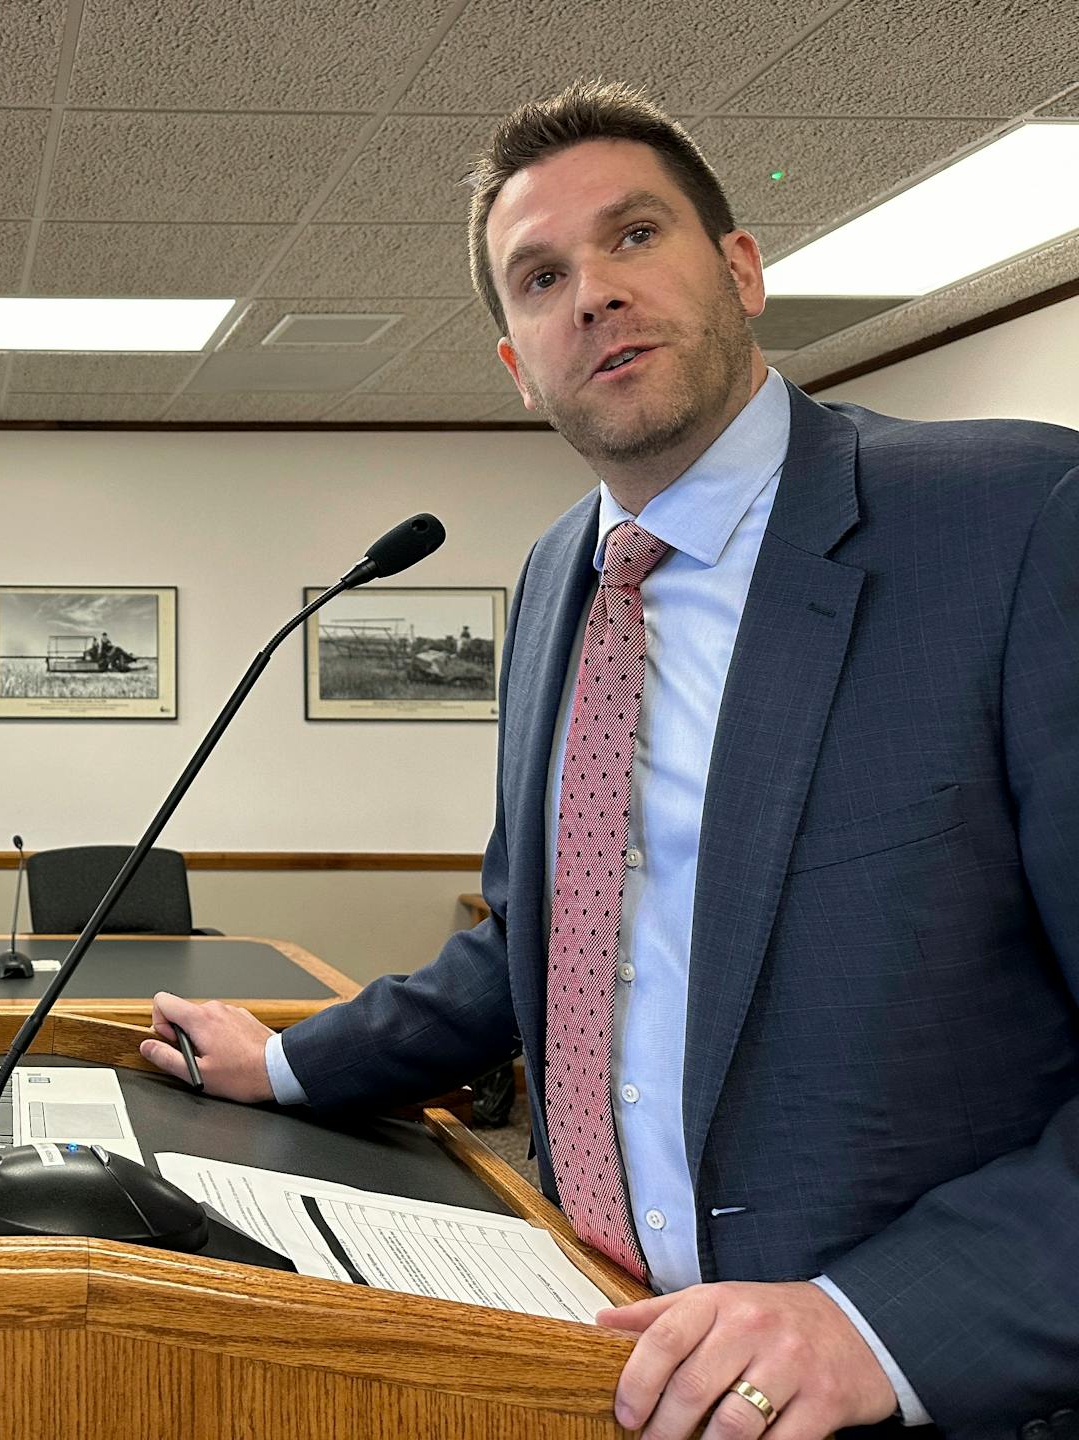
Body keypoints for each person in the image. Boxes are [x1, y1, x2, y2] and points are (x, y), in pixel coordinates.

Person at [141, 82, 1078, 1440]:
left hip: (916, 1395)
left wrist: (880, 1325)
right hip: (600, 1355)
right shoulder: (559, 579)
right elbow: (543, 937)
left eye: (635, 237)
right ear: (518, 362)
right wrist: (284, 1069)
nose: (592, 292)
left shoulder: (1013, 523)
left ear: (742, 270)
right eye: (542, 276)